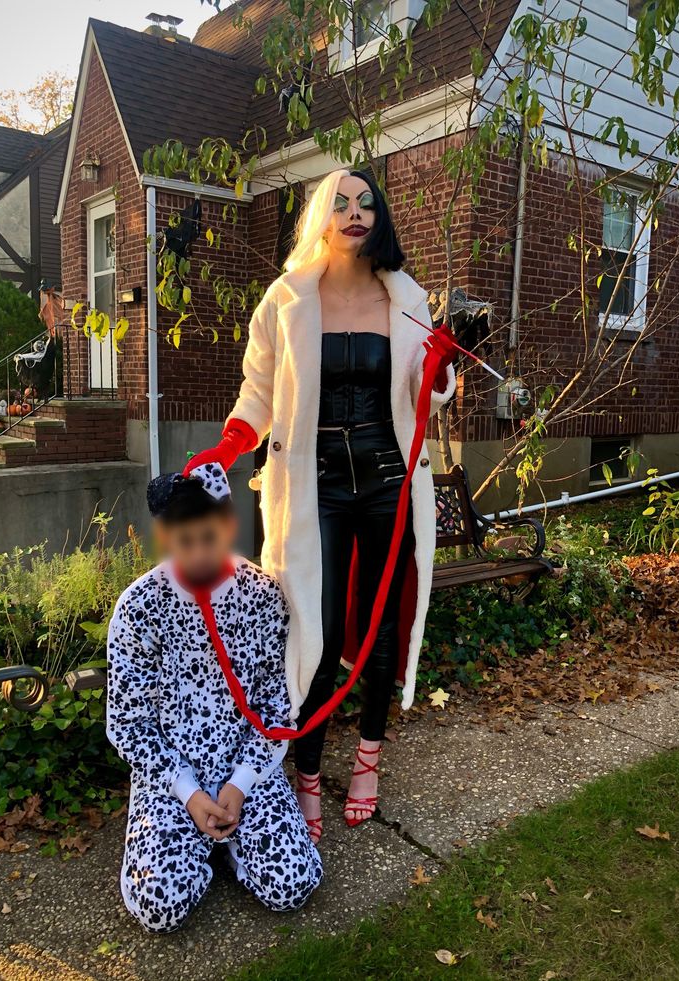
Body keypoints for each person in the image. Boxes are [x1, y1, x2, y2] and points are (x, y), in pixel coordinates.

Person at [184, 168, 457, 843]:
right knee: (319, 626)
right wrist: (226, 446)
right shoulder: (284, 300)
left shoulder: (408, 298)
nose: (356, 212)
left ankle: (367, 760)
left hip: (389, 478)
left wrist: (445, 364)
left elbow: (432, 390)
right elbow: (258, 392)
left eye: (367, 202)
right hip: (318, 485)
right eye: (341, 203)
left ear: (380, 217)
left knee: (382, 625)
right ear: (321, 218)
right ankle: (307, 772)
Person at [106, 462, 322, 934]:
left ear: (228, 525)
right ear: (164, 535)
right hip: (173, 775)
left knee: (295, 884)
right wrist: (188, 793)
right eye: (185, 541)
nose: (200, 554)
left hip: (248, 765)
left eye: (210, 537)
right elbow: (128, 721)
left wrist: (240, 784)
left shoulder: (263, 596)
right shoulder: (139, 608)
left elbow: (274, 704)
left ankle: (230, 842)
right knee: (157, 907)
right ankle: (198, 842)